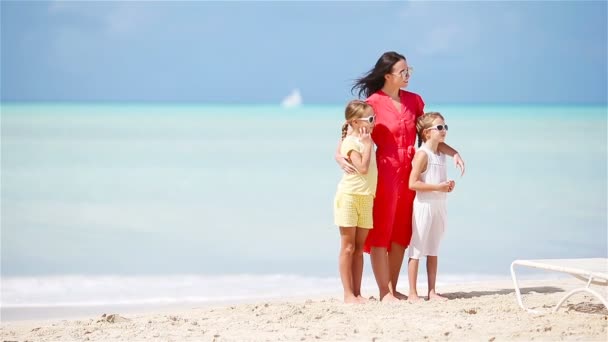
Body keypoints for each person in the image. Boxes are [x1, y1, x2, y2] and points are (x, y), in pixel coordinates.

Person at [335, 51, 465, 302]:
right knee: (382, 231)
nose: (407, 75)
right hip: (384, 171)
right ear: (388, 75)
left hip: (412, 171)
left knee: (402, 234)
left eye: (409, 71)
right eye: (403, 72)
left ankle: (393, 289)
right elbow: (348, 133)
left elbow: (430, 138)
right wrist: (339, 156)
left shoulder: (415, 101)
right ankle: (385, 292)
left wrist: (454, 152)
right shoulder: (372, 102)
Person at [334, 100, 377, 304]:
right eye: (370, 119)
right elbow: (363, 168)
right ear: (354, 121)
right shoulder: (354, 142)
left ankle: (358, 293)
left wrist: (368, 142)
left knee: (360, 248)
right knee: (348, 247)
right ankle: (348, 294)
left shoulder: (364, 137)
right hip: (350, 196)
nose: (373, 122)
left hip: (366, 196)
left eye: (374, 118)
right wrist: (368, 146)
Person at [408, 112, 454, 301]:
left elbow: (439, 180)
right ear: (427, 133)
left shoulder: (441, 153)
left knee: (434, 248)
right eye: (439, 128)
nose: (444, 131)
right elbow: (413, 183)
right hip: (424, 206)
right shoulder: (422, 154)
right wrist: (437, 187)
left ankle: (432, 291)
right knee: (417, 249)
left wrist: (447, 186)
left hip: (439, 205)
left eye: (445, 127)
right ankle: (412, 293)